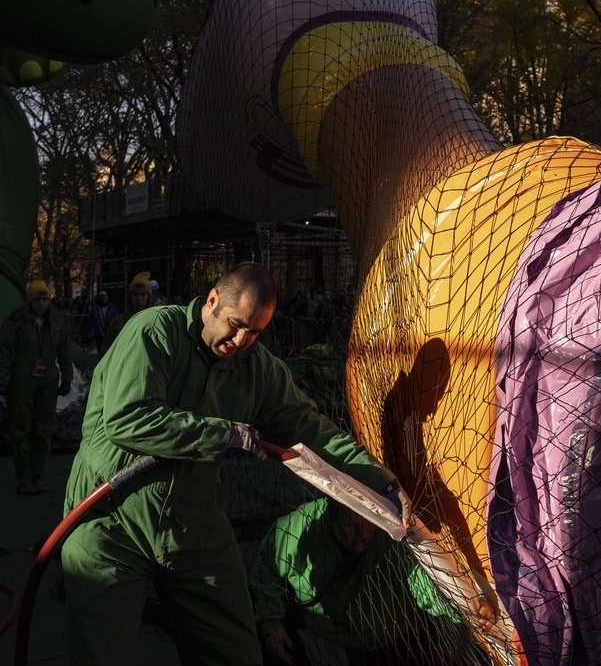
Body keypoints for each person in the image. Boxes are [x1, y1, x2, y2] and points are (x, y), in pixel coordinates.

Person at [60, 261, 408, 666]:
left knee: (236, 652)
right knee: (101, 655)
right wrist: (222, 435)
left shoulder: (260, 370)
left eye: (255, 331)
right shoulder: (153, 331)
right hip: (110, 520)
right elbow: (127, 419)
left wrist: (380, 482)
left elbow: (311, 431)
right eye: (236, 323)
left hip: (194, 525)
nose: (241, 340)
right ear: (211, 301)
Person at [253, 498, 487, 666]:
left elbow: (421, 581)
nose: (362, 533)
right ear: (331, 517)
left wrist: (465, 607)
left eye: (367, 523)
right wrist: (272, 623)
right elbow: (266, 567)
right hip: (349, 637)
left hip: (398, 633)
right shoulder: (298, 530)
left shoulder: (388, 535)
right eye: (350, 526)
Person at [0, 280, 81, 495]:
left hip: (48, 380)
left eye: (45, 299)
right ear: (30, 301)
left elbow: (64, 351)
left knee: (43, 430)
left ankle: (37, 475)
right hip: (22, 380)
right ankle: (24, 478)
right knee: (21, 429)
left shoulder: (56, 323)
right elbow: (5, 353)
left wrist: (66, 378)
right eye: (37, 299)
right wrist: (2, 381)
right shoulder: (15, 323)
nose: (42, 303)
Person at [101, 271, 153, 350]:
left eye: (143, 294)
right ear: (130, 297)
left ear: (148, 298)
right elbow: (105, 351)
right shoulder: (116, 323)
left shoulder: (155, 323)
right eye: (135, 294)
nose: (139, 298)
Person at [86, 289, 119, 357]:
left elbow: (116, 320)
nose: (103, 298)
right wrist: (90, 331)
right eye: (101, 296)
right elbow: (91, 320)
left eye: (104, 296)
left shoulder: (113, 308)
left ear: (107, 297)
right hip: (99, 334)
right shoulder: (95, 309)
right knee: (100, 350)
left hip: (109, 333)